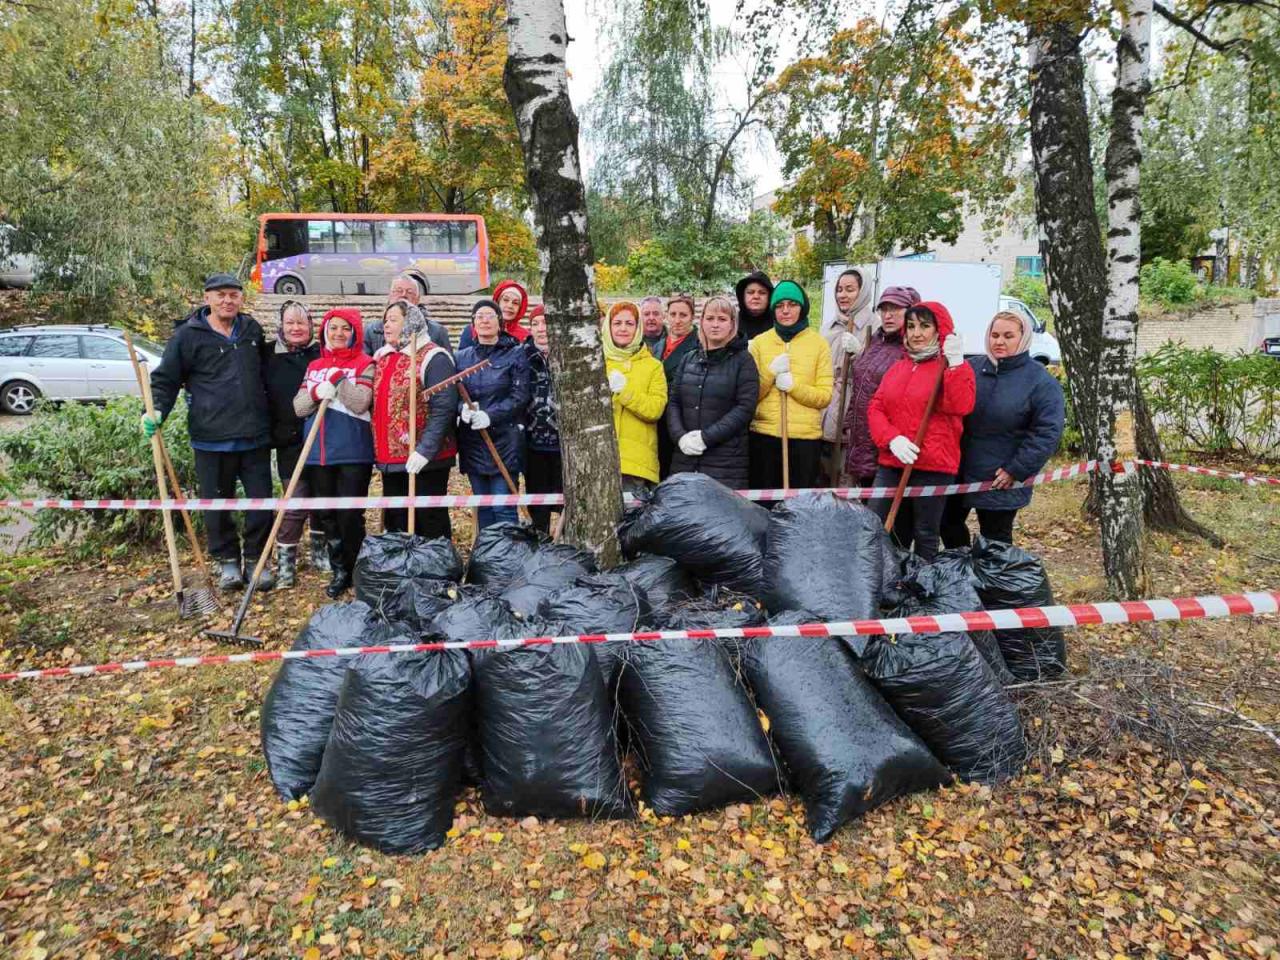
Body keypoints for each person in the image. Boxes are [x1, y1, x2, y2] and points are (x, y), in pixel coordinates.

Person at [145, 273, 276, 592]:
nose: (227, 300)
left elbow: (264, 372)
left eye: (233, 295)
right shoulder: (187, 336)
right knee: (217, 505)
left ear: (241, 298)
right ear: (207, 299)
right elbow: (165, 379)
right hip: (211, 437)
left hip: (254, 435)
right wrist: (156, 410)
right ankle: (228, 563)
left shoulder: (251, 329)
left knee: (261, 503)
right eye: (220, 295)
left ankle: (258, 561)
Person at [941, 310, 1065, 548]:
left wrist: (1016, 470)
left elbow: (1047, 433)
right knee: (947, 526)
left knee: (996, 542)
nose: (999, 341)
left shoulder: (1040, 381)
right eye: (995, 335)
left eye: (1008, 336)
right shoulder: (972, 368)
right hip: (959, 471)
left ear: (1024, 337)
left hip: (1001, 478)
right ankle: (963, 577)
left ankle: (995, 584)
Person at [866, 301, 975, 561]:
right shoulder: (898, 367)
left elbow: (960, 405)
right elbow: (876, 407)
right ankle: (888, 579)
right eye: (912, 326)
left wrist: (956, 365)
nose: (916, 333)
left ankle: (924, 585)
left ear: (940, 330)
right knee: (877, 523)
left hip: (933, 465)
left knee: (925, 531)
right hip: (893, 461)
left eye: (925, 326)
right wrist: (892, 439)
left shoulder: (950, 367)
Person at [293, 308, 375, 597]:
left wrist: (339, 380)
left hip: (353, 451)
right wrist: (317, 393)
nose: (338, 333)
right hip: (317, 452)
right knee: (326, 514)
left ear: (354, 333)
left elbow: (361, 403)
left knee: (349, 514)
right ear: (325, 330)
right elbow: (299, 406)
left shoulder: (366, 363)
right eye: (333, 328)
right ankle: (340, 569)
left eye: (345, 329)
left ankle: (358, 568)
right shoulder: (314, 366)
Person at [371, 299, 459, 541]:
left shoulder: (433, 357)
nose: (386, 325)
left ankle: (435, 571)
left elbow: (444, 407)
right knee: (396, 518)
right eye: (385, 320)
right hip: (390, 457)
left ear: (410, 323)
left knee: (428, 517)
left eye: (393, 320)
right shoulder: (383, 356)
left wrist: (425, 450)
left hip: (424, 457)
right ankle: (403, 571)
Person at [665, 294, 759, 490]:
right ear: (701, 322)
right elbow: (674, 401)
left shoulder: (743, 361)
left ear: (733, 324)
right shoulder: (688, 358)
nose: (715, 325)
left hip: (726, 464)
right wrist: (680, 436)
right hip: (685, 459)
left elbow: (745, 408)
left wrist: (706, 438)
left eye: (722, 319)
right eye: (710, 318)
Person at [747, 281, 833, 491]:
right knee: (764, 505)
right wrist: (770, 374)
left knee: (799, 507)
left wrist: (793, 387)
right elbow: (749, 395)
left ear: (802, 307)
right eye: (779, 305)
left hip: (804, 439)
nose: (785, 310)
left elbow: (824, 396)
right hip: (764, 435)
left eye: (792, 304)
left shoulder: (818, 344)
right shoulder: (759, 343)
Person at [455, 298, 530, 529]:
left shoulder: (515, 354)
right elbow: (453, 395)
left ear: (500, 322)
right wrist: (462, 410)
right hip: (474, 442)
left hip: (504, 441)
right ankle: (488, 560)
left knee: (503, 507)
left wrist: (490, 415)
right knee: (484, 507)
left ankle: (507, 558)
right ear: (473, 326)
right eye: (479, 316)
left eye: (490, 315)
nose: (485, 320)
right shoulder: (462, 358)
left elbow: (520, 396)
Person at [264, 300, 322, 588]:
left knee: (323, 500)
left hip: (323, 437)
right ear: (281, 326)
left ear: (311, 326)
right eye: (290, 323)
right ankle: (286, 560)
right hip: (288, 440)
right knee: (295, 500)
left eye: (301, 323)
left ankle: (321, 553)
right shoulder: (269, 355)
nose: (296, 328)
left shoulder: (320, 353)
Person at [842, 285, 920, 486]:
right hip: (861, 439)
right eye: (884, 309)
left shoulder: (910, 348)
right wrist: (849, 421)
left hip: (887, 445)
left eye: (896, 309)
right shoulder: (878, 340)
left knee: (881, 508)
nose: (888, 315)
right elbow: (862, 383)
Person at [602, 301, 667, 495]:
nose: (623, 328)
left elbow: (655, 409)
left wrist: (625, 391)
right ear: (608, 326)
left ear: (638, 328)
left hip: (636, 463)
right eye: (617, 323)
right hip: (600, 459)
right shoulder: (595, 363)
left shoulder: (653, 367)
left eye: (630, 324)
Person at [820, 268, 874, 482]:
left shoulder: (875, 326)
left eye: (850, 289)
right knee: (821, 479)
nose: (843, 295)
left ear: (862, 291)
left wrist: (860, 353)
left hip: (852, 410)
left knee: (845, 479)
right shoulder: (828, 327)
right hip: (825, 409)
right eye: (839, 290)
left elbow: (876, 373)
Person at [523, 306, 563, 535]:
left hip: (563, 444)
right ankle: (540, 541)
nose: (541, 329)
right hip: (533, 443)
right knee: (538, 503)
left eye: (545, 323)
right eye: (536, 323)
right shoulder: (524, 355)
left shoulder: (568, 354)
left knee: (564, 500)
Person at [658, 293, 699, 477]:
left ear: (692, 317)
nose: (677, 320)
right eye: (673, 314)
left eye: (683, 315)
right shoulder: (657, 346)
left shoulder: (699, 345)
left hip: (683, 419)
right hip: (657, 418)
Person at [364, 273, 453, 355]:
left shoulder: (437, 332)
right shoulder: (372, 330)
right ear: (390, 295)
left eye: (409, 292)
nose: (404, 295)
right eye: (399, 291)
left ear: (417, 299)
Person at [458, 279, 531, 350]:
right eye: (505, 300)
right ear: (497, 302)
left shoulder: (526, 336)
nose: (509, 306)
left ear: (520, 309)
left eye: (515, 303)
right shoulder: (473, 329)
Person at [735, 270, 775, 341]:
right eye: (750, 292)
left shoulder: (779, 324)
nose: (756, 296)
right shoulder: (732, 323)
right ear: (742, 296)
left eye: (762, 293)